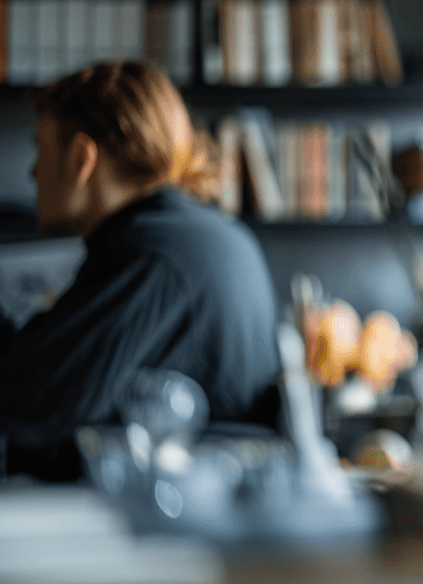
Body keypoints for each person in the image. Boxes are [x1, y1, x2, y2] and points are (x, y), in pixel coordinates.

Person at [0, 61, 281, 481]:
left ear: (82, 158)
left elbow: (26, 400)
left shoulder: (152, 252)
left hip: (176, 524)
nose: (33, 171)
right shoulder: (216, 234)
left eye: (41, 149)